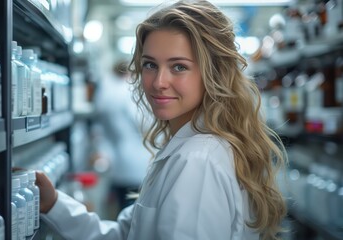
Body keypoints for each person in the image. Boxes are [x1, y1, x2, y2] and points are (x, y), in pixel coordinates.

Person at [35, 0, 288, 239]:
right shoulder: (188, 147)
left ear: (214, 74)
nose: (158, 83)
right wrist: (53, 204)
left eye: (178, 67)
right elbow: (125, 235)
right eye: (150, 65)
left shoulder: (198, 161)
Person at [90, 60, 151, 214]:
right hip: (139, 164)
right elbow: (144, 123)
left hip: (117, 166)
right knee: (137, 213)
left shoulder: (106, 92)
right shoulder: (131, 91)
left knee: (123, 210)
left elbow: (100, 132)